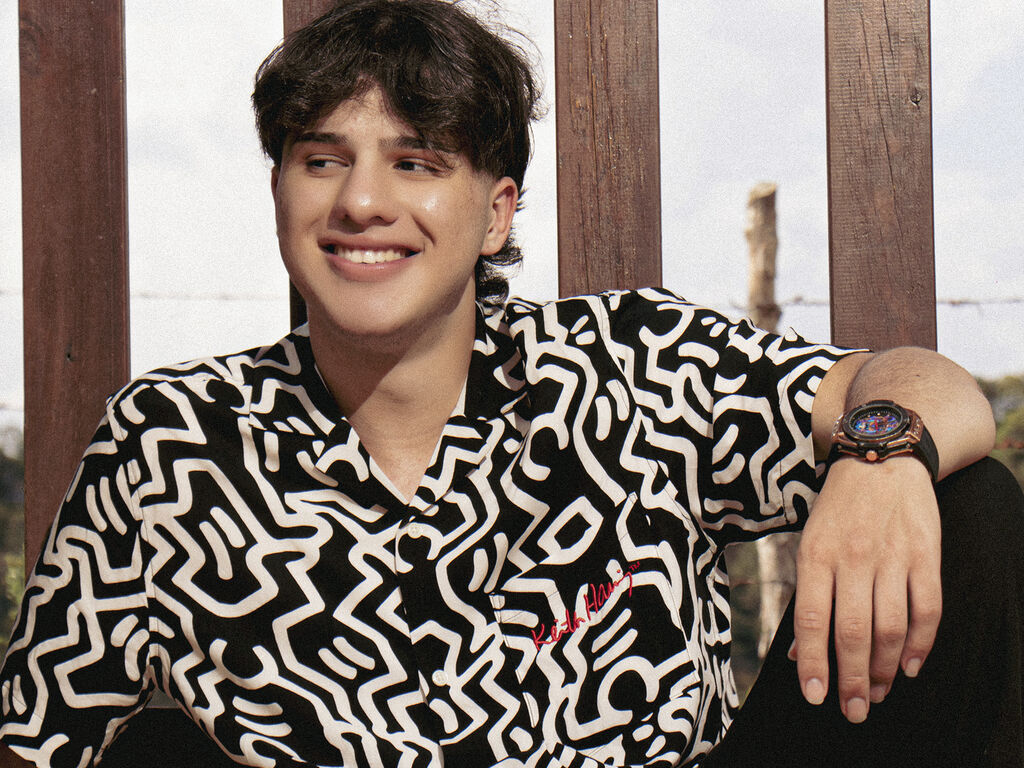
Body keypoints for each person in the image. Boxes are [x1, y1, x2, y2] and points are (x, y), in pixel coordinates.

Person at [1, 1, 1021, 766]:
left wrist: (881, 455)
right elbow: (39, 738)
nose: (362, 201)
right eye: (322, 160)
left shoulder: (632, 365)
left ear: (494, 213)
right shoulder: (169, 442)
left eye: (415, 162)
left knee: (966, 507)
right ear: (279, 191)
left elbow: (928, 387)